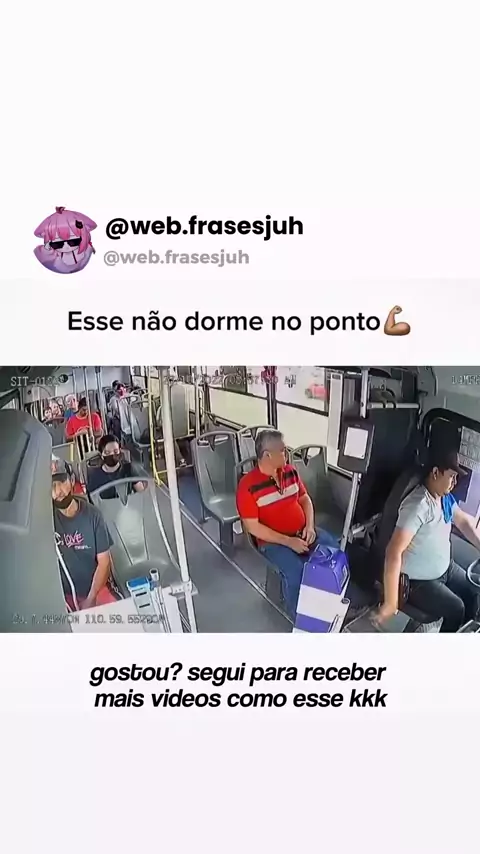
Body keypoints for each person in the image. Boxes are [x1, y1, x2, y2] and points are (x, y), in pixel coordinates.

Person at [236, 429, 338, 617]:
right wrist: (289, 541)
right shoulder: (247, 485)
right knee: (296, 571)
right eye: (283, 450)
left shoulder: (290, 472)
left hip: (302, 531)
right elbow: (253, 527)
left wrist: (309, 526)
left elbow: (305, 499)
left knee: (334, 552)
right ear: (268, 455)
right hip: (273, 543)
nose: (287, 452)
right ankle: (300, 615)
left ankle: (327, 602)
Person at [376, 451, 480, 632]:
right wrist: (391, 602)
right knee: (456, 609)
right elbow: (393, 551)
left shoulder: (444, 498)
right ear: (435, 473)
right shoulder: (418, 505)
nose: (454, 483)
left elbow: (463, 522)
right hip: (419, 581)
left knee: (474, 593)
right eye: (451, 477)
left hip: (446, 568)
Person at [51, 458, 118, 611]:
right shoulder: (46, 519)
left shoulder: (93, 515)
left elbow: (104, 562)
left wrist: (91, 598)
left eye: (62, 482)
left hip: (96, 589)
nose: (58, 491)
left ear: (71, 480)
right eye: (52, 485)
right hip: (63, 596)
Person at [87, 434, 147, 499]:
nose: (112, 454)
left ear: (120, 451)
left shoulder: (129, 469)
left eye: (115, 451)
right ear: (101, 455)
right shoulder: (94, 475)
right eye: (107, 453)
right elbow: (92, 500)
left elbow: (142, 494)